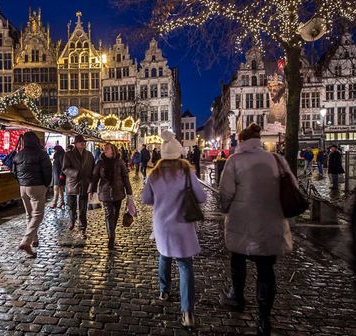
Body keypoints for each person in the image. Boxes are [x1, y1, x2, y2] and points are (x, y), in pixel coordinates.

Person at [219, 123, 294, 336]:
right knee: (266, 269)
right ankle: (263, 318)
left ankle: (238, 296)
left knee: (238, 259)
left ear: (241, 141)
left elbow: (225, 194)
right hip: (269, 222)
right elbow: (292, 187)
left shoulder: (235, 161)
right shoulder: (275, 160)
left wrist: (226, 209)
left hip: (241, 221)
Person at [142, 129, 206, 330]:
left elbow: (146, 199)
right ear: (179, 153)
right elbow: (202, 197)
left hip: (163, 224)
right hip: (183, 225)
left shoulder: (154, 175)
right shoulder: (187, 174)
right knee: (185, 265)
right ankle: (187, 312)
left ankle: (164, 290)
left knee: (164, 255)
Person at [12, 132, 53, 258]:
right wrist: (46, 185)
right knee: (37, 215)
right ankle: (26, 242)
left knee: (29, 214)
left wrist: (21, 182)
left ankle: (34, 239)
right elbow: (47, 171)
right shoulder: (41, 153)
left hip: (23, 187)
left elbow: (14, 171)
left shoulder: (18, 154)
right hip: (37, 186)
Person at [88, 143, 133, 250]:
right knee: (109, 214)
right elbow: (94, 178)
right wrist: (91, 190)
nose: (105, 150)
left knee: (116, 214)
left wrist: (129, 193)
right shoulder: (100, 163)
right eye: (105, 148)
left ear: (113, 150)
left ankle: (112, 231)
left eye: (107, 148)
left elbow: (125, 177)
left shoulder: (120, 162)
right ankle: (111, 237)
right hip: (105, 192)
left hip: (118, 192)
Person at [63, 135, 95, 238]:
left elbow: (93, 170)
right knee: (71, 205)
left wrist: (92, 183)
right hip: (72, 183)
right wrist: (77, 173)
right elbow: (65, 169)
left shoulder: (89, 155)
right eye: (80, 142)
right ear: (75, 144)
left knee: (83, 208)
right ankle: (72, 220)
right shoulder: (68, 154)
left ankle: (82, 227)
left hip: (85, 183)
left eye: (84, 142)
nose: (83, 143)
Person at [51, 145, 66, 209]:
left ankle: (54, 203)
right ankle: (61, 202)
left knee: (56, 188)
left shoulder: (61, 155)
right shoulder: (58, 155)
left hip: (59, 175)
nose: (54, 151)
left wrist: (61, 174)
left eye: (55, 150)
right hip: (56, 174)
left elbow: (63, 165)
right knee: (60, 189)